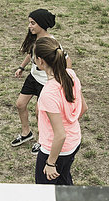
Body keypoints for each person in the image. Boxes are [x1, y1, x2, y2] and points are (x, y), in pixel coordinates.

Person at [12, 8, 71, 154]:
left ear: (42, 24)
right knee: (20, 104)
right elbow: (30, 54)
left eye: (32, 23)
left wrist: (64, 78)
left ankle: (41, 141)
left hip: (46, 83)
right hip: (33, 78)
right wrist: (22, 67)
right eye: (29, 23)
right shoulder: (34, 38)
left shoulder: (52, 42)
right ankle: (26, 133)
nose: (29, 26)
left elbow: (67, 60)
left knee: (41, 114)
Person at [33, 37, 87, 185]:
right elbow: (83, 107)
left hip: (56, 151)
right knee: (64, 183)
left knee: (45, 194)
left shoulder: (48, 93)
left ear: (40, 61)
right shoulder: (71, 74)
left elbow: (60, 135)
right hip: (74, 142)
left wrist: (50, 163)